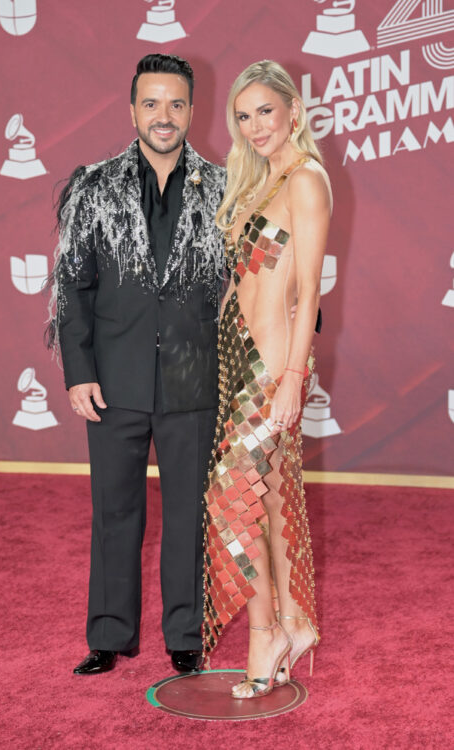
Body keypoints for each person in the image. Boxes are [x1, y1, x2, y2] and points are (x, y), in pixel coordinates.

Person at [47, 54, 226, 675]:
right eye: (151, 103)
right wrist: (78, 371)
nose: (164, 116)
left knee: (188, 515)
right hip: (114, 380)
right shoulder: (93, 187)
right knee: (114, 511)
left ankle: (185, 638)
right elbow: (73, 289)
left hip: (192, 378)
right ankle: (108, 635)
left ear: (192, 110)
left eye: (176, 103)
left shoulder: (224, 189)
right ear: (132, 110)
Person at [202, 60, 332, 698]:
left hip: (272, 365)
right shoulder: (254, 182)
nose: (255, 126)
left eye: (266, 112)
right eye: (244, 115)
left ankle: (264, 634)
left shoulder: (306, 180)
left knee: (234, 501)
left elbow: (307, 291)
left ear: (293, 111)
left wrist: (291, 376)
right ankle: (293, 623)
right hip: (236, 358)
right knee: (271, 499)